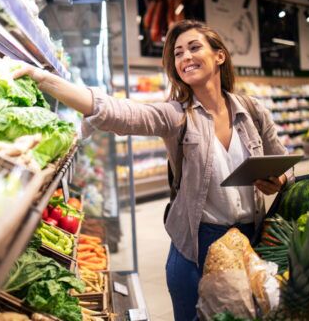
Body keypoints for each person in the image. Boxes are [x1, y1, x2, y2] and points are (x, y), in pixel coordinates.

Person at [16, 19, 293, 320]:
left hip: (251, 244)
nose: (185, 57)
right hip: (197, 247)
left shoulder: (252, 111)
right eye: (178, 53)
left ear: (219, 56)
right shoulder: (176, 115)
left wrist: (279, 179)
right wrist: (41, 78)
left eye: (194, 47)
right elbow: (120, 113)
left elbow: (283, 163)